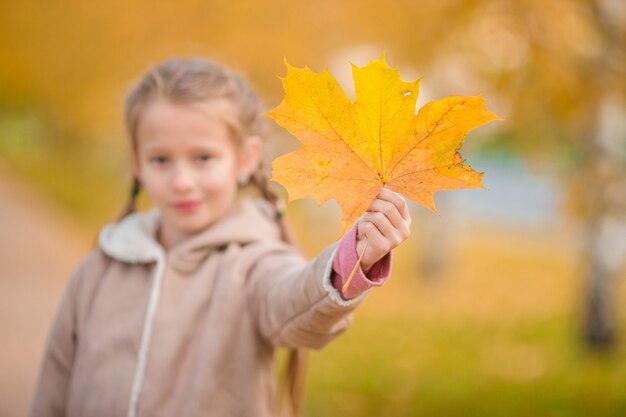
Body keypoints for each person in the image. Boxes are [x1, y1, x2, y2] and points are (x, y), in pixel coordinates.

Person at [30, 57, 411, 417]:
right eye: (161, 159)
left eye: (203, 158)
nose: (181, 182)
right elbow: (55, 383)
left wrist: (354, 257)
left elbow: (294, 299)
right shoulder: (98, 270)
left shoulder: (253, 265)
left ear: (245, 159)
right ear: (137, 163)